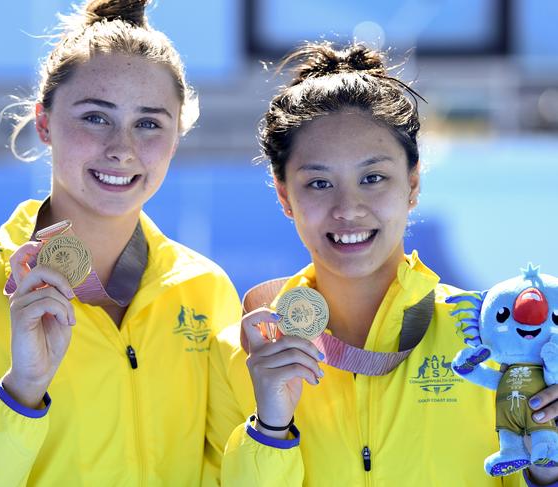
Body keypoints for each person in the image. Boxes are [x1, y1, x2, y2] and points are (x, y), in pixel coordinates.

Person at [0, 1, 240, 485]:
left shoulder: (205, 289)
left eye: (149, 123)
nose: (121, 148)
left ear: (176, 136)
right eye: (95, 118)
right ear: (44, 122)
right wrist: (20, 393)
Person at [205, 41, 558, 486]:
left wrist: (549, 468)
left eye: (373, 178)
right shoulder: (238, 355)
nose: (348, 208)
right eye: (318, 183)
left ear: (412, 184)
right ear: (283, 196)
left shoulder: (492, 339)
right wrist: (270, 428)